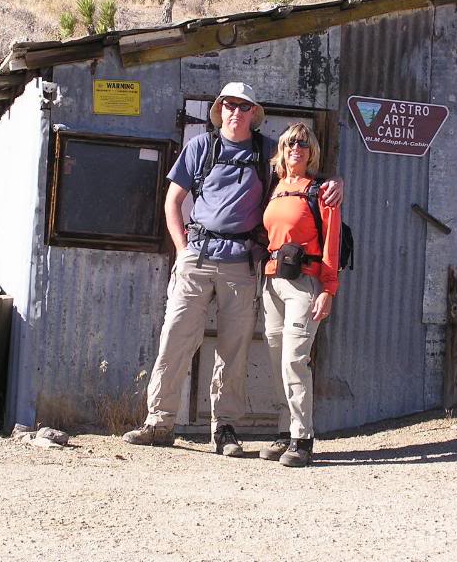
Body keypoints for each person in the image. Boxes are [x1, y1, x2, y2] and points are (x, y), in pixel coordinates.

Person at [122, 83, 343, 456]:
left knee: (233, 349)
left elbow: (301, 177)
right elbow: (173, 201)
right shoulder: (200, 147)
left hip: (241, 262)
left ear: (254, 113)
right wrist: (181, 250)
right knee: (175, 336)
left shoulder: (265, 153)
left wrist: (337, 183)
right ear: (219, 110)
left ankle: (223, 429)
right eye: (228, 105)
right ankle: (159, 421)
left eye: (243, 106)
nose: (235, 112)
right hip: (197, 256)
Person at [258, 123, 341, 467]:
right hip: (273, 282)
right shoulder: (275, 189)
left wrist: (329, 289)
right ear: (282, 149)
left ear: (312, 152)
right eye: (291, 143)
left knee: (295, 359)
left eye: (304, 144)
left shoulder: (321, 191)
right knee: (278, 359)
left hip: (306, 285)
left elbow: (332, 242)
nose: (298, 148)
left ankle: (302, 439)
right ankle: (284, 430)